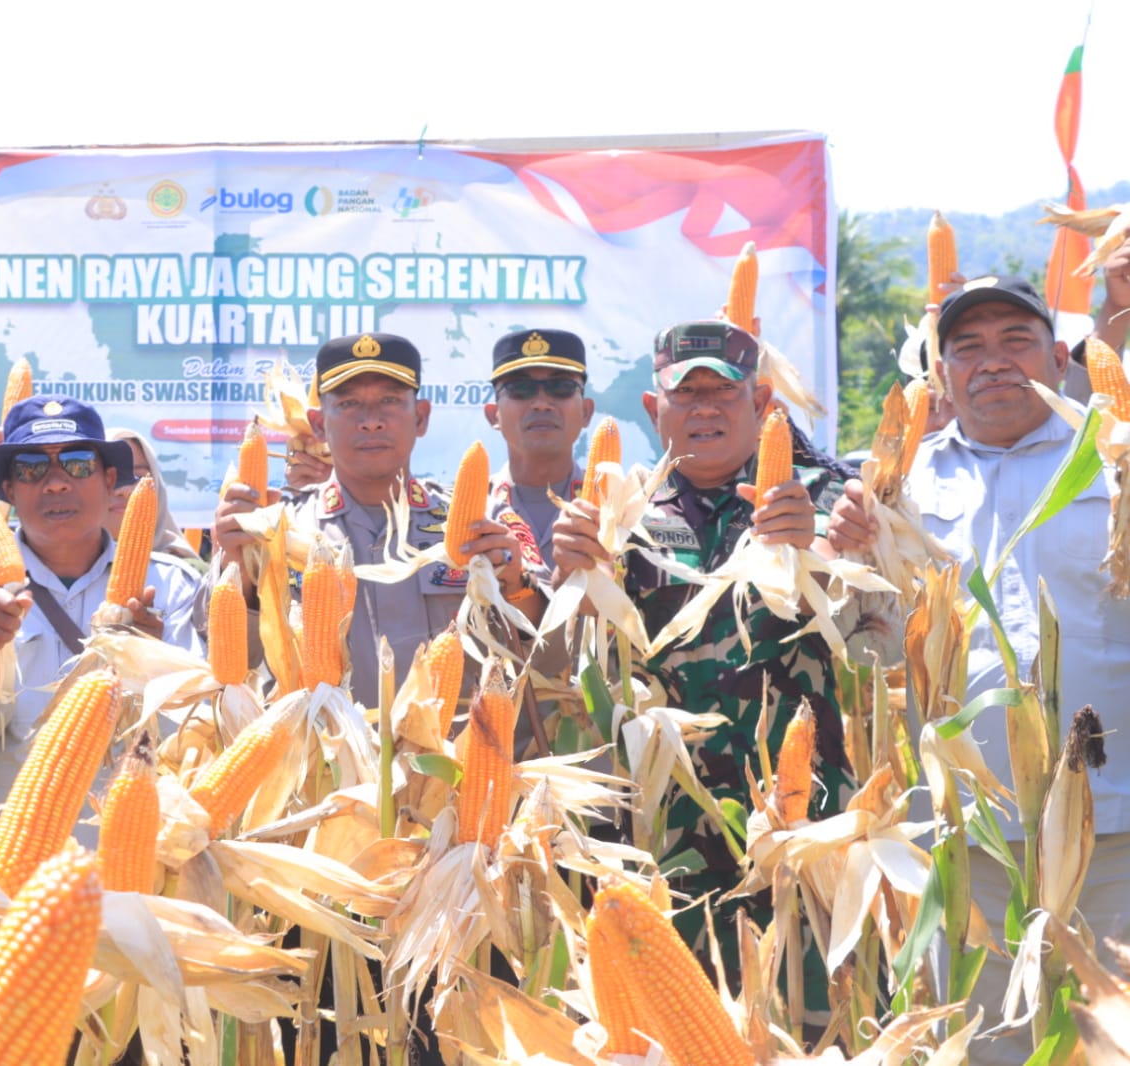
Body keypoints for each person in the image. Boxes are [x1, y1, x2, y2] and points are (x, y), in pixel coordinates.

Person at [826, 274, 1130, 1063]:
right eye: (967, 348)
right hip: (970, 833)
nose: (991, 361)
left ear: (1059, 360)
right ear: (941, 375)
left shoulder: (1114, 463)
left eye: (1014, 341)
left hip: (1115, 825)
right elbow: (869, 657)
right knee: (992, 1045)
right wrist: (846, 565)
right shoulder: (898, 489)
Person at [549, 319, 851, 964]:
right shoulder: (620, 510)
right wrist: (568, 576)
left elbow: (862, 627)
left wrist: (810, 553)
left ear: (762, 403)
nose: (705, 408)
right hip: (663, 826)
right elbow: (579, 661)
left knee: (807, 1000)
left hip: (799, 815)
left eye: (724, 391)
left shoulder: (822, 499)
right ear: (654, 408)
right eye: (686, 393)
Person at [211, 332, 542, 711]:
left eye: (390, 401)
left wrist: (517, 587)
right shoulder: (274, 529)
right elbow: (231, 671)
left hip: (452, 746)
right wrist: (237, 570)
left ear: (421, 417)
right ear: (318, 425)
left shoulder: (485, 522)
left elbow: (551, 665)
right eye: (349, 403)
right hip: (317, 747)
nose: (371, 422)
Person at [0, 397, 203, 835]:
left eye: (77, 464)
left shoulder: (173, 586)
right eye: (31, 468)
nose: (55, 483)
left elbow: (192, 743)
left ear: (109, 480)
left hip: (123, 855)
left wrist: (148, 668)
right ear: (9, 491)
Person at [482, 328, 594, 569]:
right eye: (520, 389)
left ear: (586, 412)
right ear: (494, 415)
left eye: (561, 387)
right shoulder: (470, 511)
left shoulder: (616, 506)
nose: (542, 404)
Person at [106, 427, 203, 569]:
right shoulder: (71, 572)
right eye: (112, 477)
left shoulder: (189, 574)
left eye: (138, 477)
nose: (125, 491)